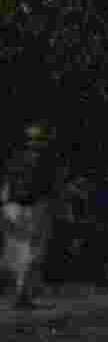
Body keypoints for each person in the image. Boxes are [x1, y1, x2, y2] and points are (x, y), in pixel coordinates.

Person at [1, 124, 60, 309]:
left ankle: (18, 295)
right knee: (32, 252)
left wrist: (3, 206)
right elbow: (50, 189)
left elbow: (6, 184)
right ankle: (22, 296)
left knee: (14, 252)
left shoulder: (15, 158)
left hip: (11, 207)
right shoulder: (46, 159)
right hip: (34, 207)